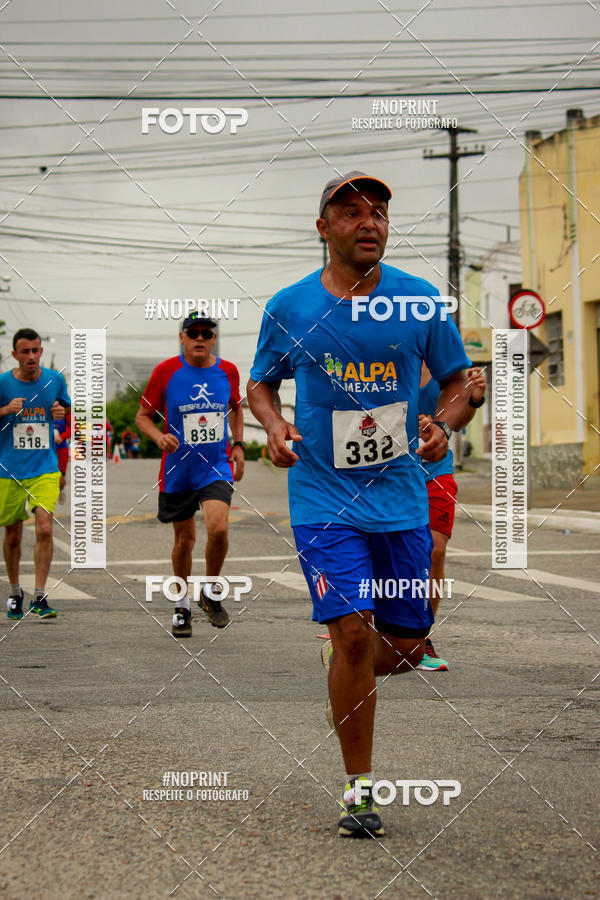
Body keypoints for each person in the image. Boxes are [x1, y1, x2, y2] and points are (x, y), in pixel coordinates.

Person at [247, 171, 477, 838]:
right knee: (352, 634)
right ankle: (359, 790)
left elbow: (460, 384)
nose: (368, 222)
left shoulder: (420, 302)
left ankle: (349, 659)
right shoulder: (290, 308)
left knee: (403, 648)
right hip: (323, 495)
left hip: (402, 496)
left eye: (377, 211)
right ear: (323, 229)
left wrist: (443, 422)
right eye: (350, 212)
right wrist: (273, 425)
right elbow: (261, 385)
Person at [135, 315, 245, 637]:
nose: (200, 338)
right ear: (182, 338)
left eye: (206, 333)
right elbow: (142, 416)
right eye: (193, 333)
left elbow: (236, 407)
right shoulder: (165, 372)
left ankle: (210, 594)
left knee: (219, 529)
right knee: (185, 541)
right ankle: (181, 605)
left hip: (215, 466)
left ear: (213, 339)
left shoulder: (229, 371)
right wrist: (158, 437)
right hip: (178, 470)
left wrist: (238, 445)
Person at [416, 363, 487, 671]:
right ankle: (362, 621)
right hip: (389, 474)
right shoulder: (384, 352)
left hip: (436, 472)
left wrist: (473, 399)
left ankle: (421, 638)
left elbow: (459, 422)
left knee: (435, 550)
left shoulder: (446, 362)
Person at [0, 328, 71, 620]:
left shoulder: (54, 379)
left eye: (36, 350)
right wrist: (5, 409)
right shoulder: (3, 383)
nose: (31, 356)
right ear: (15, 354)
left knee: (44, 528)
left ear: (41, 351)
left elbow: (65, 407)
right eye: (25, 352)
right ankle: (15, 591)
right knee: (13, 535)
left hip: (44, 467)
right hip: (10, 468)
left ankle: (39, 595)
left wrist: (60, 412)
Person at [54, 411, 71, 505]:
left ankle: (61, 490)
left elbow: (72, 427)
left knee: (61, 478)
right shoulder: (44, 408)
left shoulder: (65, 411)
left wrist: (62, 436)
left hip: (61, 450)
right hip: (47, 450)